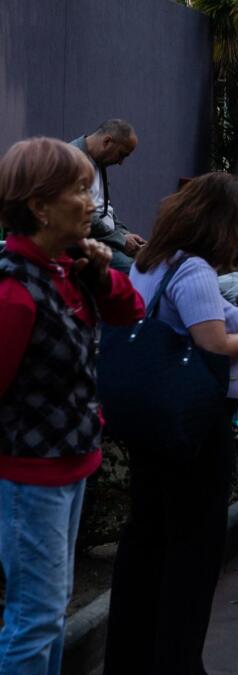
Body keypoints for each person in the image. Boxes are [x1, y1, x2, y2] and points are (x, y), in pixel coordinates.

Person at [104, 173, 238, 675]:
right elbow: (214, 343)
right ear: (222, 225)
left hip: (153, 424)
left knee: (146, 540)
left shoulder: (151, 260)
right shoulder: (194, 269)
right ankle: (177, 660)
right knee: (193, 549)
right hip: (194, 426)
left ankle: (132, 657)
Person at [0, 137, 144, 674]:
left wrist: (100, 271)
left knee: (50, 610)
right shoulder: (14, 289)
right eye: (80, 191)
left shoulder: (65, 269)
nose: (93, 204)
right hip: (30, 475)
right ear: (39, 205)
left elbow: (131, 311)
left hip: (68, 465)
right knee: (36, 617)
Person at [70, 119, 145, 273]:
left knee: (150, 264)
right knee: (137, 272)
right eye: (121, 155)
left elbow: (105, 208)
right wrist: (120, 240)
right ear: (107, 142)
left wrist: (124, 233)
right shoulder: (72, 160)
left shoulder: (98, 160)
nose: (121, 162)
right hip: (86, 242)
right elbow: (82, 215)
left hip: (105, 240)